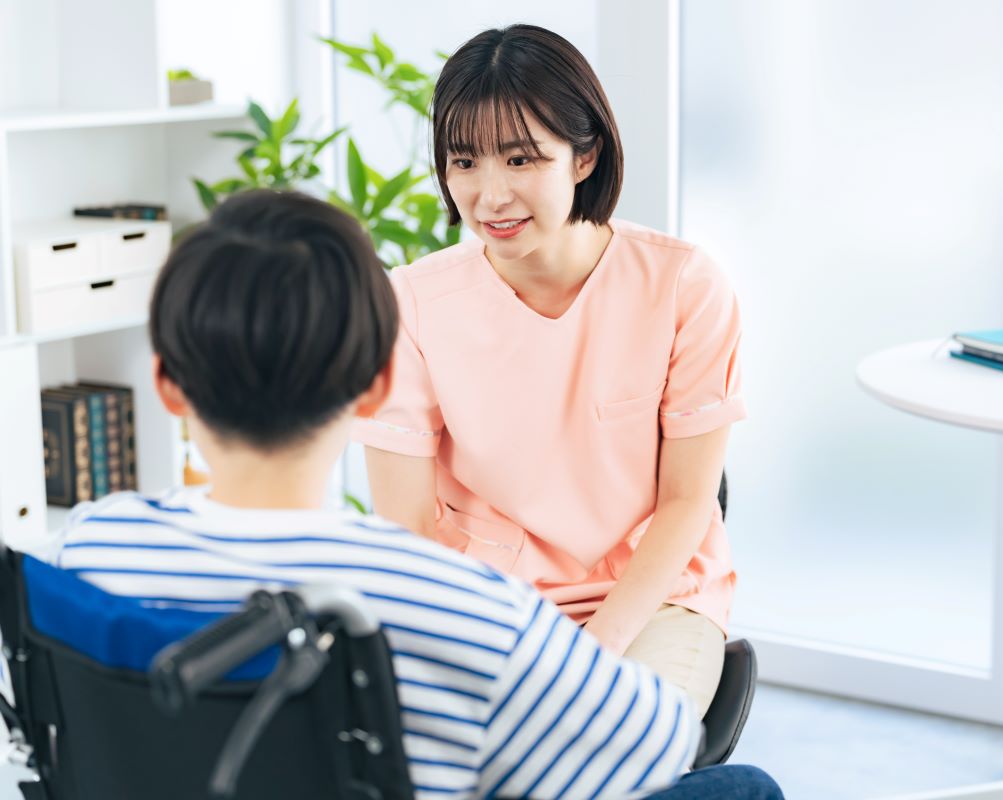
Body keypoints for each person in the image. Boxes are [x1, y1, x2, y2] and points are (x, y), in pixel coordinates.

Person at [50, 190, 719, 799]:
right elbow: (651, 742)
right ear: (376, 388)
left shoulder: (82, 555)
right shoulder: (454, 601)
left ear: (167, 386)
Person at [355, 24, 746, 718]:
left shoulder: (683, 285)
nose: (490, 195)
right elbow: (408, 523)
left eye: (521, 159)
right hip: (485, 606)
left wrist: (593, 650)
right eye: (465, 161)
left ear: (585, 156)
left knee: (601, 740)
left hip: (653, 603)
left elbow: (690, 500)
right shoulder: (409, 305)